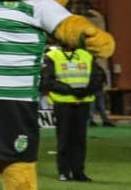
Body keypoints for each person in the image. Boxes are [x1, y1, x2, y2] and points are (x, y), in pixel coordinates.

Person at [44, 42, 103, 182]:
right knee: (64, 139)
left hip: (82, 103)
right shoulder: (52, 56)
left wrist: (84, 91)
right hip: (63, 104)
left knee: (79, 140)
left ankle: (78, 172)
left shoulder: (86, 55)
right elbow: (47, 81)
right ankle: (64, 172)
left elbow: (98, 77)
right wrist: (71, 90)